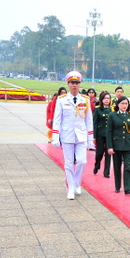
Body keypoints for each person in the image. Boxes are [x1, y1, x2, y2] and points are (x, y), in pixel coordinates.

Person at [52, 71, 94, 200]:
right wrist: (55, 136)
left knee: (82, 161)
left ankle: (76, 183)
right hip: (67, 135)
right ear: (68, 84)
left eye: (76, 83)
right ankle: (70, 188)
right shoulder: (62, 99)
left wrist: (90, 139)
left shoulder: (85, 100)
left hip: (81, 135)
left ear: (79, 84)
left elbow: (89, 120)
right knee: (69, 164)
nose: (74, 85)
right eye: (72, 83)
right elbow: (57, 119)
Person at [107, 96, 130, 194]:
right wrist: (110, 146)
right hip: (117, 145)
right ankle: (117, 186)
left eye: (126, 104)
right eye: (122, 103)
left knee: (127, 167)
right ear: (118, 104)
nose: (124, 105)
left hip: (128, 145)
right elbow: (109, 132)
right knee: (117, 167)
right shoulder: (112, 115)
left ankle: (128, 188)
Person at [93, 91, 112, 178]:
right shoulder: (98, 109)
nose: (106, 100)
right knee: (99, 152)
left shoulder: (112, 110)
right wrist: (94, 136)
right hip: (100, 134)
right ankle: (97, 165)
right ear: (101, 100)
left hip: (109, 135)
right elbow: (95, 124)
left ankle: (106, 171)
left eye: (108, 98)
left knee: (109, 153)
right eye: (105, 98)